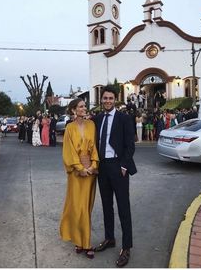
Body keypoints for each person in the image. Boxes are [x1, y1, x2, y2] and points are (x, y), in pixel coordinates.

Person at [93, 85, 137, 267]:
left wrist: (124, 166)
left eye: (111, 98)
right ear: (101, 100)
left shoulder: (124, 118)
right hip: (102, 167)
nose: (108, 101)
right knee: (106, 206)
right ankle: (109, 238)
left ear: (115, 100)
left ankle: (126, 247)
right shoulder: (97, 118)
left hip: (118, 167)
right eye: (105, 98)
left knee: (123, 208)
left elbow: (130, 145)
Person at [60, 98, 99, 259]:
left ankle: (84, 242)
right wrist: (79, 168)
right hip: (77, 175)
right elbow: (68, 150)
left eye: (85, 106)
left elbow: (95, 147)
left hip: (90, 173)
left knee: (86, 208)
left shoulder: (91, 125)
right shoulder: (69, 128)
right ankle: (81, 242)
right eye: (81, 106)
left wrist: (93, 165)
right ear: (73, 110)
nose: (84, 108)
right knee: (77, 207)